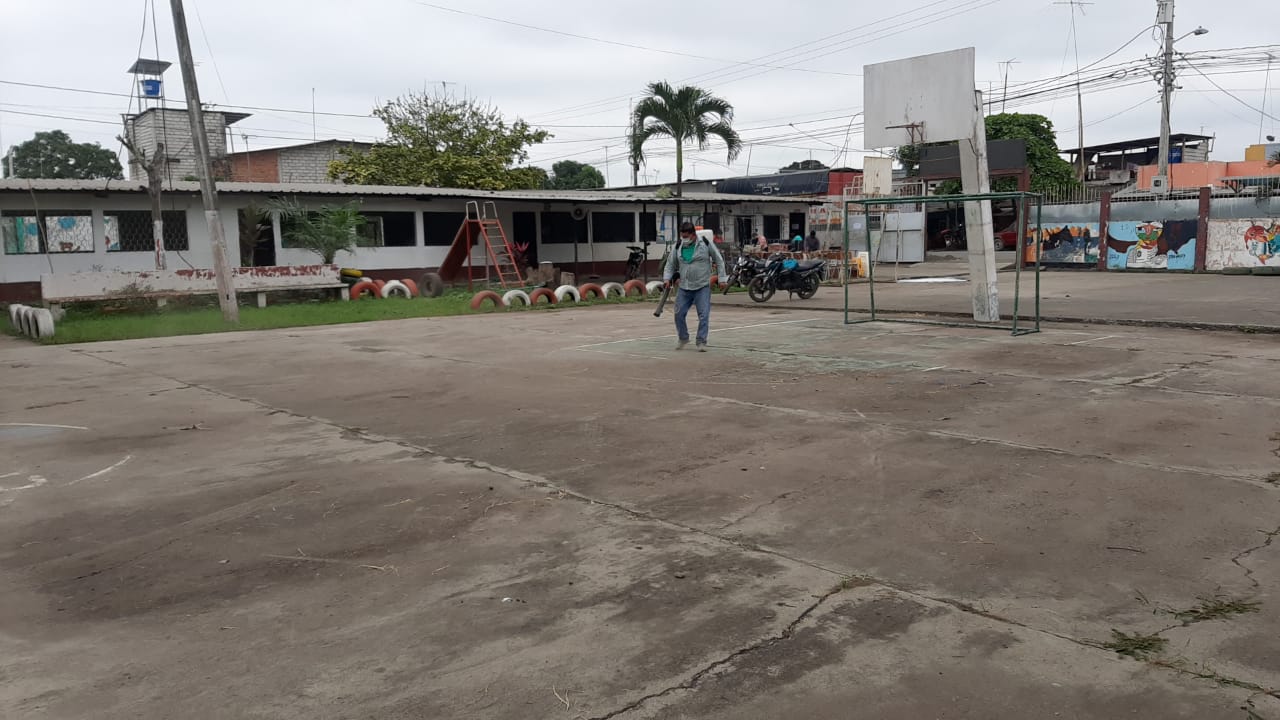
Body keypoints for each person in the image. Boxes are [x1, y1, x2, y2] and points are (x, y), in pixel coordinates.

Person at [663, 222, 727, 351]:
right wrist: (667, 279)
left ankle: (701, 341)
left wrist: (722, 279)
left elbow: (719, 260)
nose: (684, 239)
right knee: (678, 314)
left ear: (693, 235)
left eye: (686, 236)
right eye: (682, 236)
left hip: (702, 286)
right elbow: (670, 264)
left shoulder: (705, 244)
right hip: (684, 286)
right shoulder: (678, 246)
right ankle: (683, 337)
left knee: (703, 315)